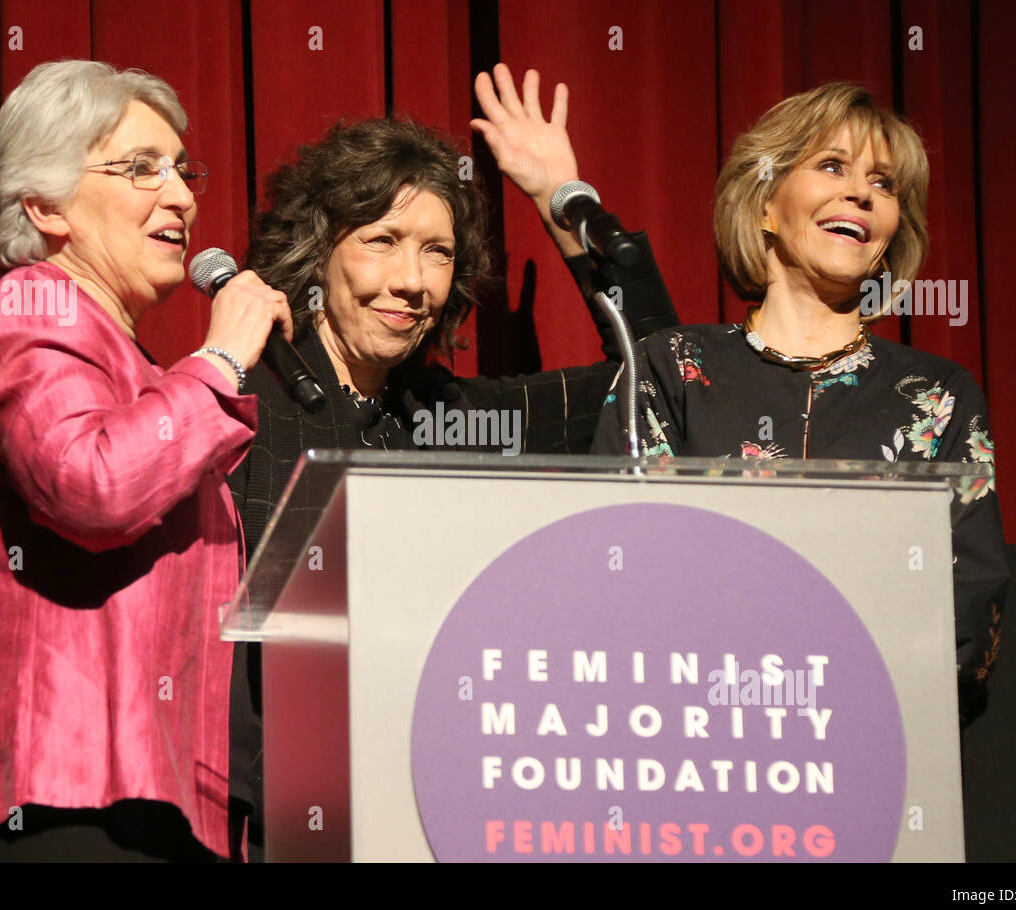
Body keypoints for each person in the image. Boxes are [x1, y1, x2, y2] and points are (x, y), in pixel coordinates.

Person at [224, 67, 680, 835]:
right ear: (320, 251)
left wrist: (564, 203)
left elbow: (658, 375)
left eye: (437, 252)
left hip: (431, 804)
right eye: (382, 242)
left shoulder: (450, 413)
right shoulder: (237, 400)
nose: (411, 281)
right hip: (273, 817)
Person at [0, 60, 292, 861]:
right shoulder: (29, 309)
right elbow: (92, 486)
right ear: (43, 205)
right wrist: (224, 360)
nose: (183, 195)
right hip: (70, 805)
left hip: (152, 803)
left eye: (180, 169)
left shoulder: (130, 361)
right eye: (141, 168)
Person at [588, 80, 1009, 726]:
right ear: (764, 205)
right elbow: (619, 566)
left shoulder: (940, 397)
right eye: (832, 166)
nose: (861, 193)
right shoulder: (669, 370)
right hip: (694, 744)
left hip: (879, 747)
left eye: (885, 184)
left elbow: (968, 608)